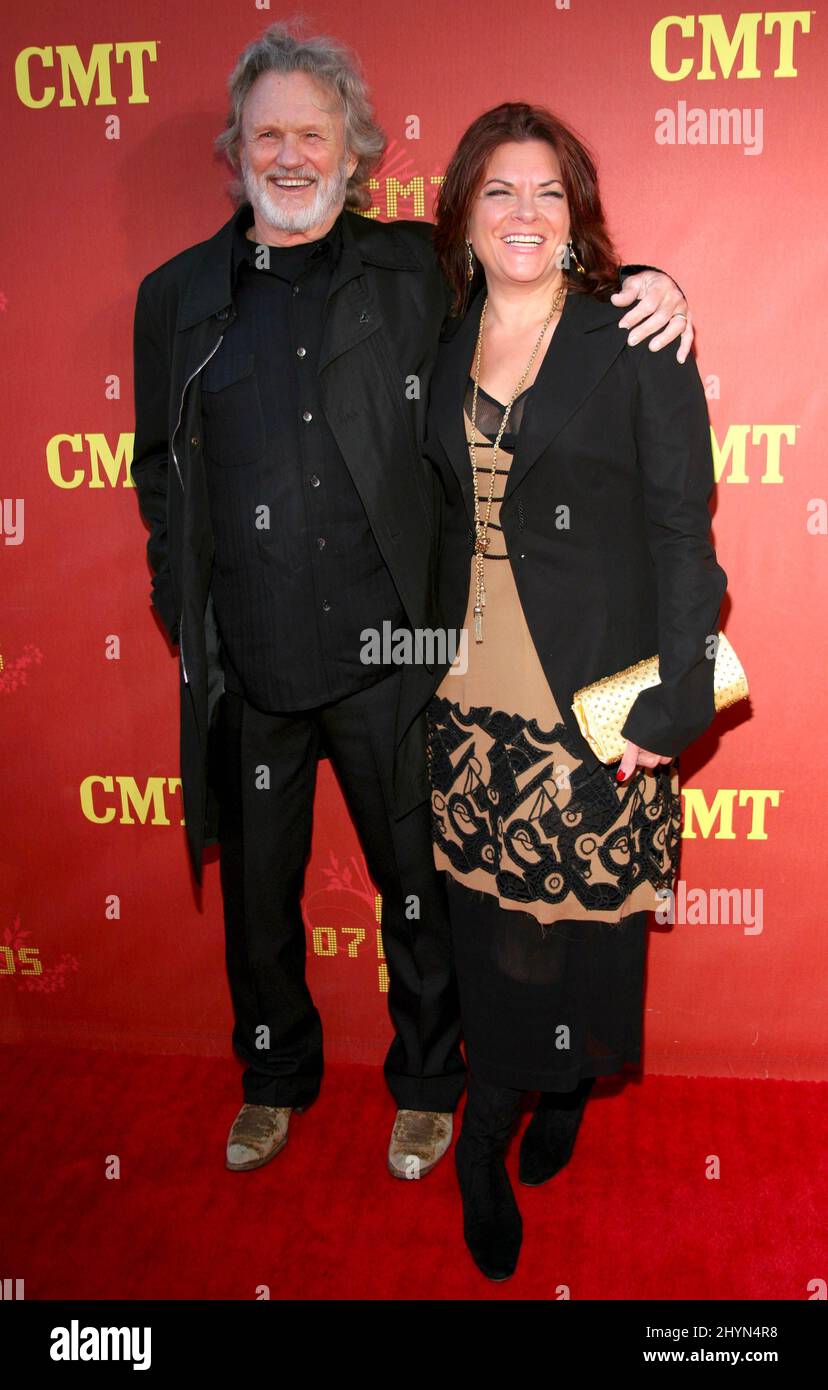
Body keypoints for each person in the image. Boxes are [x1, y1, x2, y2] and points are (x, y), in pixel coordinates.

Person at [130, 23, 693, 1181]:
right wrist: (179, 605)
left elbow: (536, 280)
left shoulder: (407, 271)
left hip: (400, 652)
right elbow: (156, 467)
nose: (291, 156)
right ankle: (274, 1076)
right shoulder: (172, 298)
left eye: (314, 134)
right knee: (260, 906)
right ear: (235, 151)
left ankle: (432, 1085)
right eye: (268, 134)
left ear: (357, 151)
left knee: (423, 901)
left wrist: (652, 285)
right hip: (251, 659)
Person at [411, 102, 728, 1278]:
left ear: (577, 213)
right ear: (466, 211)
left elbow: (683, 537)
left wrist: (673, 706)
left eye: (548, 191)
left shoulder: (632, 336)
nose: (525, 213)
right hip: (466, 705)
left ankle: (551, 1099)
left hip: (597, 704)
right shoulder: (441, 337)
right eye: (500, 189)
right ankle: (484, 1144)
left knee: (580, 940)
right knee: (496, 940)